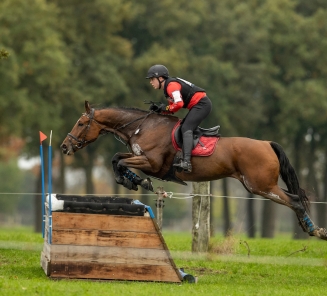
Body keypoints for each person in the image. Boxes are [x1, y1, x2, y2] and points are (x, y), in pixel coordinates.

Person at [146, 64, 212, 173]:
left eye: (152, 79)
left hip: (202, 105)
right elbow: (172, 109)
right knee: (182, 127)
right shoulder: (167, 89)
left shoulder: (171, 85)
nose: (151, 82)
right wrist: (160, 110)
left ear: (160, 78)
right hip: (198, 105)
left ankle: (186, 162)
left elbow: (179, 104)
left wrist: (166, 107)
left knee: (186, 128)